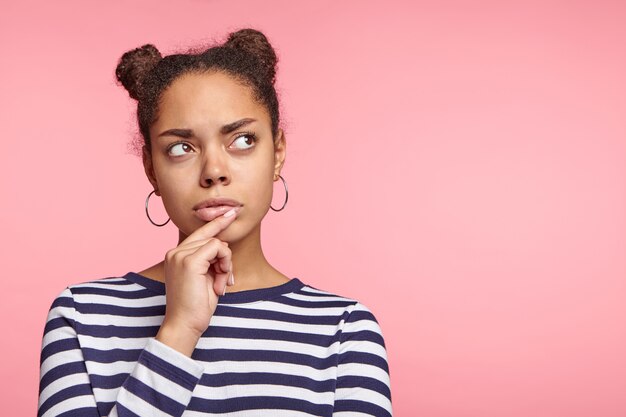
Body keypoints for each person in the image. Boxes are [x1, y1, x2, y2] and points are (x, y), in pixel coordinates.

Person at [37, 28, 392, 417]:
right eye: (180, 148)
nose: (214, 171)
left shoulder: (344, 332)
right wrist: (178, 331)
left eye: (242, 140)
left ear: (277, 154)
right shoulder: (84, 316)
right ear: (151, 169)